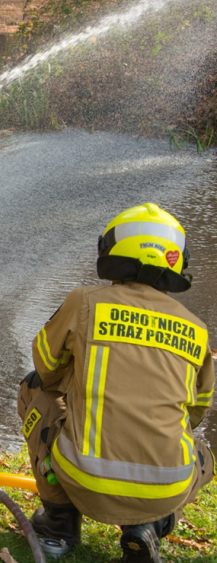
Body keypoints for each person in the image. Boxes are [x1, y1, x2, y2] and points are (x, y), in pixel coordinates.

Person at [18, 203, 215, 563]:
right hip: (165, 489)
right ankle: (154, 525)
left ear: (112, 251)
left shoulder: (85, 303)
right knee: (202, 455)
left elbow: (45, 371)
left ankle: (59, 525)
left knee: (33, 390)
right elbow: (197, 413)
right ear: (177, 262)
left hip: (84, 478)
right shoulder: (197, 331)